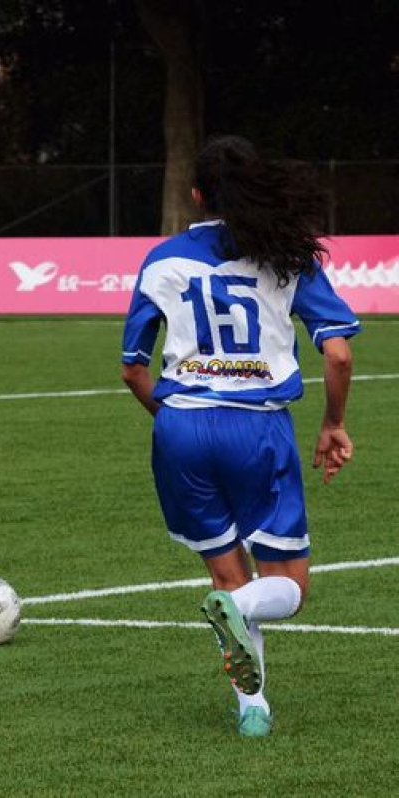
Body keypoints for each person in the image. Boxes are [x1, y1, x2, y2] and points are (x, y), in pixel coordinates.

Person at [120, 135, 360, 737]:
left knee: (227, 576)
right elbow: (338, 355)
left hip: (180, 427)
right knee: (286, 589)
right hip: (257, 429)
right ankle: (242, 615)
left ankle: (254, 709)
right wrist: (332, 423)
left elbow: (131, 366)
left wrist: (173, 421)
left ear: (197, 195)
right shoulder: (287, 254)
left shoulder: (163, 258)